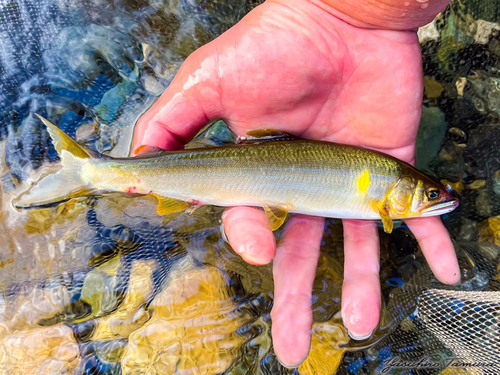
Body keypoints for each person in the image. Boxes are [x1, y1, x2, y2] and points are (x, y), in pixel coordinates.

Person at [132, 0, 459, 367]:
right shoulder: (383, 185)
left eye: (432, 195)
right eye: (431, 195)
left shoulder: (387, 177)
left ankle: (103, 175)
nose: (440, 200)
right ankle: (93, 174)